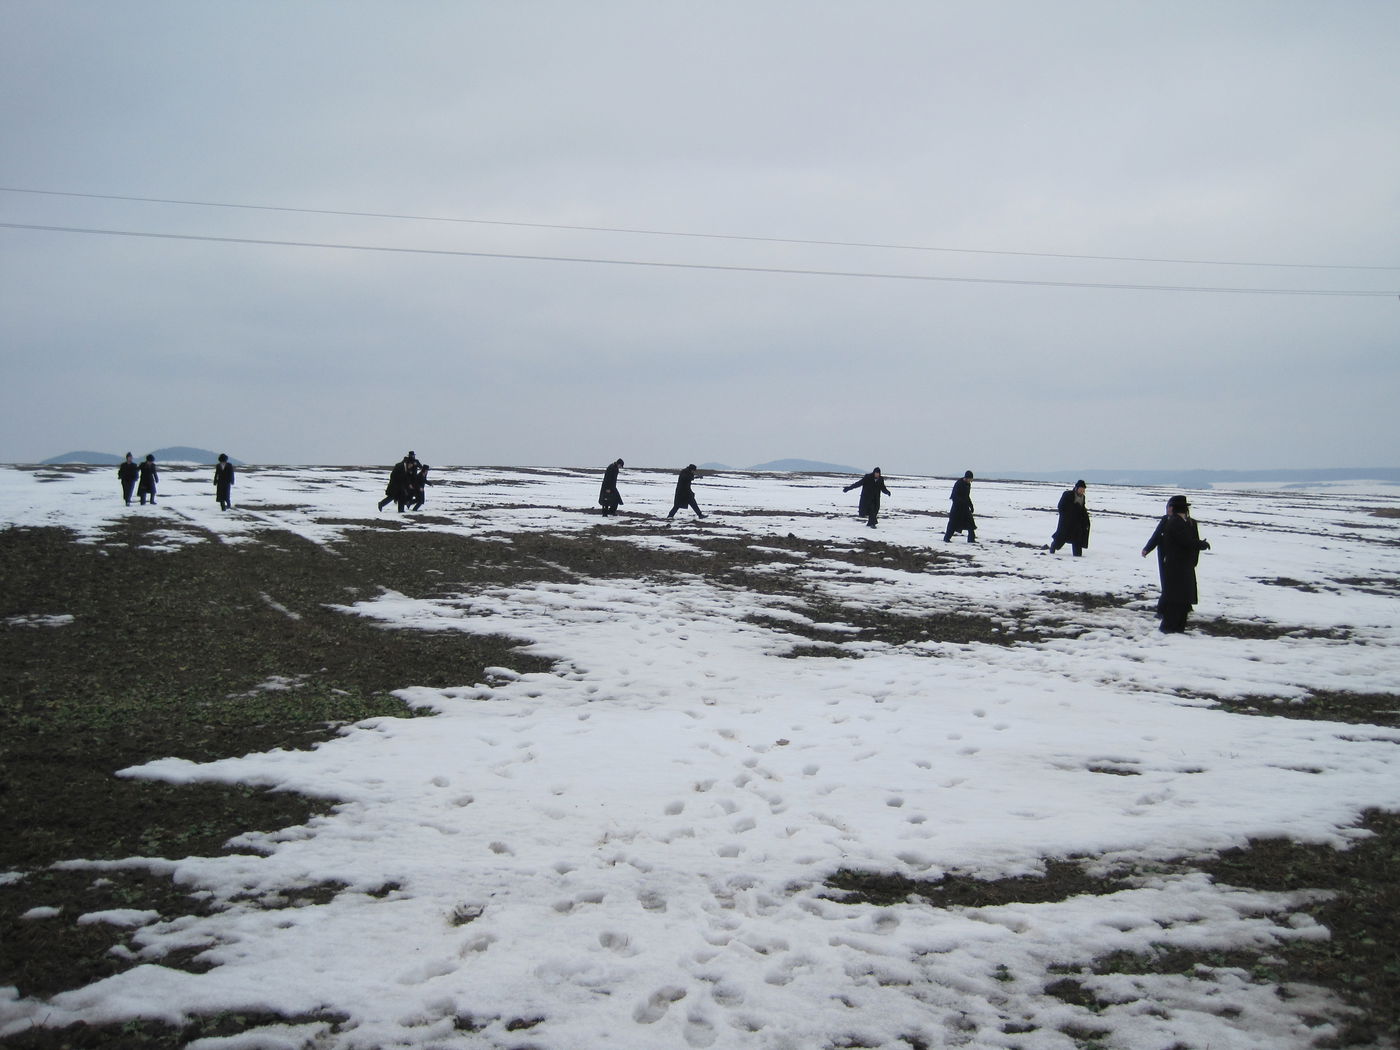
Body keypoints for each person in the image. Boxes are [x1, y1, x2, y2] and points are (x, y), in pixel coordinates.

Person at [1142, 494, 1211, 633]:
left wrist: (1195, 553)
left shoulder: (1188, 522)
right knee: (1175, 596)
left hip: (1183, 564)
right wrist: (1201, 544)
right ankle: (1169, 627)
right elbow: (1184, 541)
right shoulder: (1173, 522)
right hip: (1175, 564)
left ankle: (1178, 626)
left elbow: (1189, 541)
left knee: (1181, 597)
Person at [1049, 480, 1090, 556]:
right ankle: (1053, 546)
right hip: (1066, 522)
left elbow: (1082, 508)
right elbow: (1061, 506)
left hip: (1077, 522)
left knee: (1077, 538)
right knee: (1061, 538)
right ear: (1076, 488)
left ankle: (1077, 555)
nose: (1082, 491)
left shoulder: (1083, 497)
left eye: (1083, 490)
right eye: (1081, 489)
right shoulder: (1068, 494)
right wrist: (1073, 508)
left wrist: (1086, 519)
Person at [944, 470, 977, 543]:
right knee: (952, 524)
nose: (971, 481)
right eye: (970, 479)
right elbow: (954, 496)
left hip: (965, 508)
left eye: (971, 480)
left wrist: (971, 505)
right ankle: (946, 538)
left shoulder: (968, 485)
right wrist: (962, 502)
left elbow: (967, 496)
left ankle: (971, 540)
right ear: (967, 478)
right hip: (957, 508)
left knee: (970, 523)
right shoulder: (958, 484)